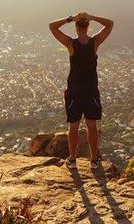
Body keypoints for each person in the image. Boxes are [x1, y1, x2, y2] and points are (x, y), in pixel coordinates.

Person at [49, 12, 114, 169]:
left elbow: (52, 26)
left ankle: (72, 159)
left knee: (73, 126)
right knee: (92, 125)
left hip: (74, 91)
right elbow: (110, 24)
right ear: (88, 26)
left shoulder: (71, 44)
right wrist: (92, 16)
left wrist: (70, 18)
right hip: (91, 91)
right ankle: (93, 159)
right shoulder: (95, 43)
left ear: (76, 27)